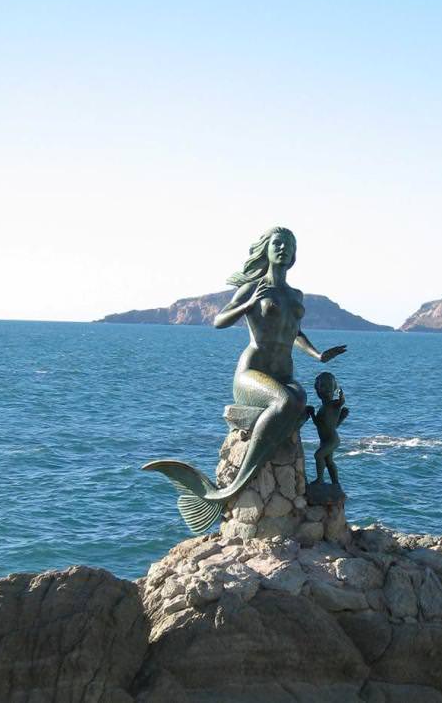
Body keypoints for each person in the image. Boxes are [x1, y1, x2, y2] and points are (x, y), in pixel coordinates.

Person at [143, 226, 346, 533]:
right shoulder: (254, 288)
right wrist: (247, 306)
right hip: (253, 373)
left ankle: (230, 487)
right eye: (277, 243)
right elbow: (218, 321)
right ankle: (234, 486)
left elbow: (294, 332)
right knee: (286, 401)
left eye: (289, 245)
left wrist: (317, 356)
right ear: (266, 249)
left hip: (284, 373)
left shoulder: (295, 295)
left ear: (294, 254)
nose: (283, 248)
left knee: (299, 401)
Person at [309, 372, 349, 485]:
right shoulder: (324, 406)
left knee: (318, 455)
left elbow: (341, 402)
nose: (322, 391)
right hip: (324, 440)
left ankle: (320, 479)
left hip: (332, 440)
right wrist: (312, 414)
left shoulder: (333, 404)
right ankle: (335, 483)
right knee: (328, 461)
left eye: (327, 388)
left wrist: (341, 395)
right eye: (320, 388)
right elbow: (321, 424)